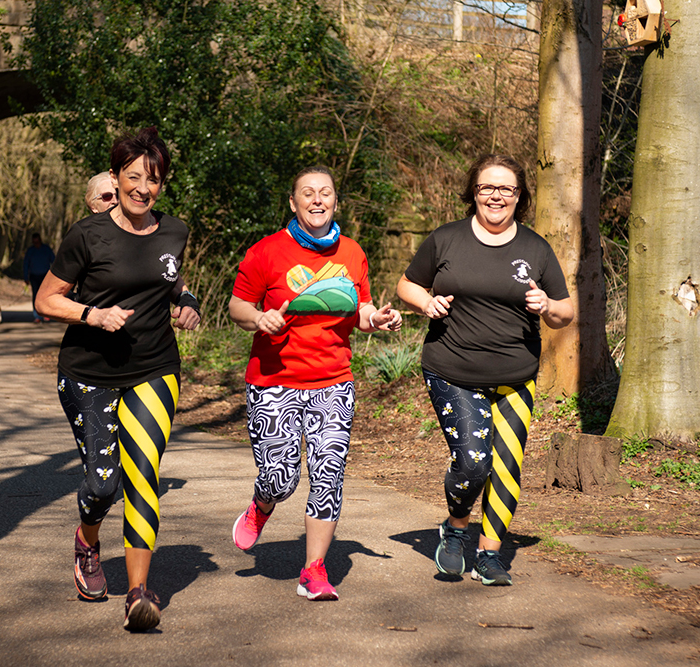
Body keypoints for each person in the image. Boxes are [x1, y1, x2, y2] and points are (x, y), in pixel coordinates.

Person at [34, 127, 201, 632]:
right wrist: (92, 315)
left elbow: (168, 278)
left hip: (154, 367)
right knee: (102, 484)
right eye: (133, 178)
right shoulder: (87, 235)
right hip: (89, 373)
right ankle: (88, 542)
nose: (142, 189)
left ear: (162, 185)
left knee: (143, 474)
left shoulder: (175, 230)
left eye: (152, 180)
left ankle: (137, 593)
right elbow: (45, 300)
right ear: (115, 177)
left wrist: (187, 303)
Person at [396, 154, 574, 586]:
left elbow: (565, 310)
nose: (496, 196)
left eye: (506, 189)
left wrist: (548, 307)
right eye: (487, 188)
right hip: (452, 369)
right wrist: (426, 302)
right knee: (474, 464)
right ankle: (456, 528)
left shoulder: (535, 248)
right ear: (473, 193)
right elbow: (407, 284)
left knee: (507, 464)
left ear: (520, 196)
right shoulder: (447, 239)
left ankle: (489, 554)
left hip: (515, 376)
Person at [228, 165, 402, 601]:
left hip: (333, 381)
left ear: (336, 202)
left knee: (329, 476)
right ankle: (261, 505)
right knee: (281, 478)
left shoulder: (352, 253)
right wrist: (258, 317)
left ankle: (314, 570)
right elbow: (236, 305)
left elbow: (360, 311)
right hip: (274, 381)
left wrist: (376, 318)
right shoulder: (266, 253)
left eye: (325, 192)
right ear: (294, 202)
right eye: (308, 193)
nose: (318, 199)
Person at [22, 233, 55, 322]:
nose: (36, 244)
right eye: (34, 242)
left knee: (46, 295)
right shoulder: (30, 251)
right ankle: (37, 316)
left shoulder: (46, 249)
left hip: (45, 276)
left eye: (37, 242)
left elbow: (54, 261)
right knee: (36, 296)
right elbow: (26, 264)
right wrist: (26, 277)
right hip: (34, 276)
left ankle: (46, 314)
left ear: (40, 240)